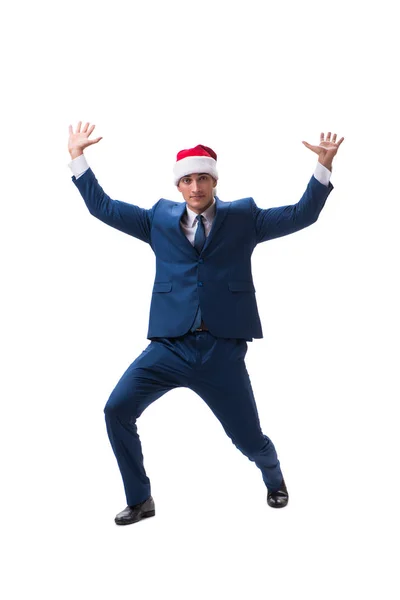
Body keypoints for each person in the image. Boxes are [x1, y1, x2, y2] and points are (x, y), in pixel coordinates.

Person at [68, 122, 344, 525]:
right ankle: (141, 499)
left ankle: (274, 478)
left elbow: (303, 214)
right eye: (187, 180)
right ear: (178, 186)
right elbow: (103, 207)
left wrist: (323, 167)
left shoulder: (244, 218)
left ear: (214, 180)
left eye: (202, 178)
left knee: (249, 440)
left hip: (221, 352)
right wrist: (78, 156)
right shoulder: (157, 220)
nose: (195, 186)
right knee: (116, 410)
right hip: (168, 347)